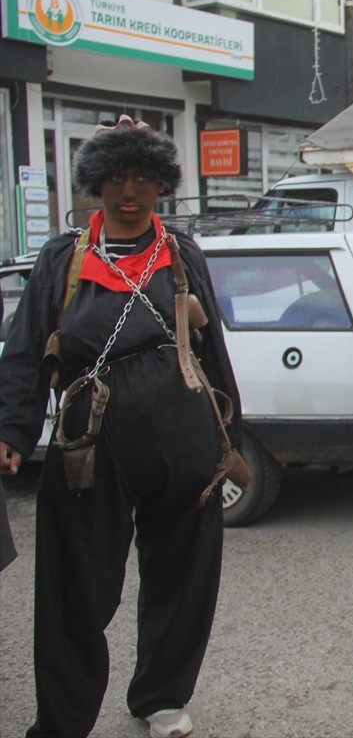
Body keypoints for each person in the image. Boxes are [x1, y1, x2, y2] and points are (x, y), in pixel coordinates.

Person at [0, 117, 242, 738]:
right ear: (95, 185)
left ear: (161, 184)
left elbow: (213, 351)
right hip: (88, 442)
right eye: (114, 176)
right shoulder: (64, 256)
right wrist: (12, 427)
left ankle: (161, 697)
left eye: (141, 176)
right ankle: (62, 720)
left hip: (182, 441)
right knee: (73, 585)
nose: (128, 190)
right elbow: (25, 348)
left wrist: (227, 437)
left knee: (182, 575)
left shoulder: (182, 251)